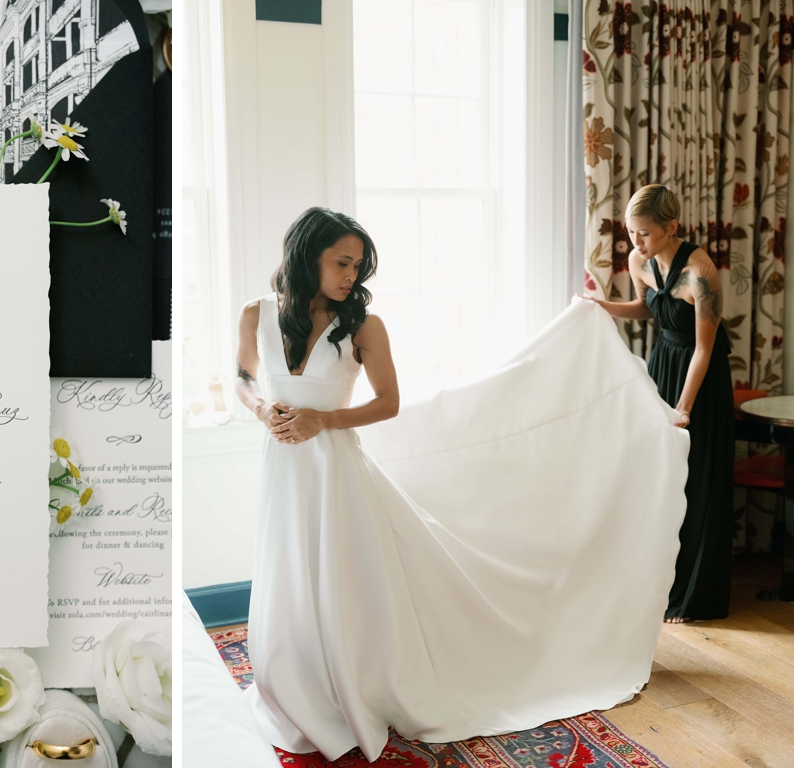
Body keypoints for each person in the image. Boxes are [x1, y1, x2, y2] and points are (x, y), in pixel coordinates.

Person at [234, 206, 688, 761]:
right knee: (289, 576)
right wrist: (262, 410)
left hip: (336, 473)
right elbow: (241, 377)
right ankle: (291, 684)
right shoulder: (255, 314)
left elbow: (388, 402)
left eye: (358, 265)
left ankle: (354, 685)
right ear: (308, 255)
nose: (352, 275)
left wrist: (322, 419)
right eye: (342, 262)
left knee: (341, 583)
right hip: (282, 470)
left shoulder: (364, 327)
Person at [583, 184, 734, 623]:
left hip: (698, 379)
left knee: (696, 479)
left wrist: (683, 409)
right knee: (658, 477)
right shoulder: (639, 261)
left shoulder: (701, 275)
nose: (636, 243)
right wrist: (604, 306)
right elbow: (647, 308)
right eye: (631, 233)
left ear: (672, 227)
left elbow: (705, 351)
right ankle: (654, 585)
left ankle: (694, 595)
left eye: (645, 234)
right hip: (663, 364)